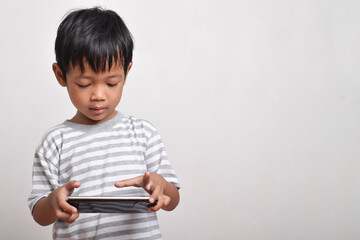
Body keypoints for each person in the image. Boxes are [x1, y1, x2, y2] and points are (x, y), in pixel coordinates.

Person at [28, 7, 180, 240]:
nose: (98, 95)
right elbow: (39, 213)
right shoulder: (54, 142)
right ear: (61, 75)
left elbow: (172, 200)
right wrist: (53, 202)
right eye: (84, 84)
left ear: (126, 74)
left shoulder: (143, 133)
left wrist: (161, 186)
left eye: (111, 83)